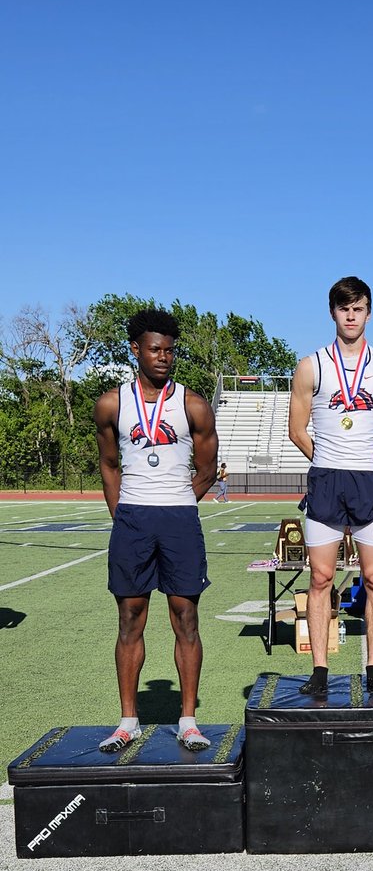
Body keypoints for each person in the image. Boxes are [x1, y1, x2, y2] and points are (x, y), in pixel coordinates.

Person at [94, 309, 219, 753]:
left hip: (179, 519)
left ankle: (188, 720)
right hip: (132, 519)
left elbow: (206, 469)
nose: (163, 357)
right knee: (130, 616)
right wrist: (123, 515)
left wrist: (178, 506)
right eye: (154, 349)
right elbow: (110, 465)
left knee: (185, 615)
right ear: (136, 350)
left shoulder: (193, 404)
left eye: (169, 350)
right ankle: (128, 719)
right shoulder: (112, 404)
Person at [288, 276, 373, 695]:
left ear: (369, 313)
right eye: (343, 308)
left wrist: (370, 465)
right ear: (332, 313)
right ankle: (319, 671)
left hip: (369, 482)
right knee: (320, 577)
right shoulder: (311, 365)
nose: (351, 315)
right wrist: (327, 462)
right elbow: (296, 429)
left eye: (358, 308)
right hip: (325, 481)